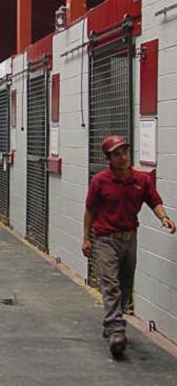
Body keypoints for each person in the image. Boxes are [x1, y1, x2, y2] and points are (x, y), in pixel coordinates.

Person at [82, 135, 175, 358]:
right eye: (117, 154)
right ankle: (116, 330)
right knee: (111, 283)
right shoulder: (100, 181)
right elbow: (90, 210)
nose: (123, 156)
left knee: (125, 284)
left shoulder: (141, 180)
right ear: (108, 159)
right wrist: (86, 238)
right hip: (106, 238)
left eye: (125, 151)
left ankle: (112, 321)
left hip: (129, 238)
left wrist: (164, 217)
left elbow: (154, 200)